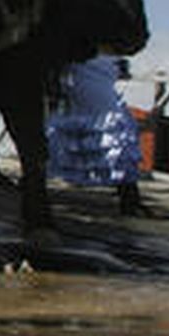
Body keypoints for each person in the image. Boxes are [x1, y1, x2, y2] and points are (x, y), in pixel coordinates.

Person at [46, 54, 147, 215]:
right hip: (83, 67)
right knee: (116, 130)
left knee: (114, 129)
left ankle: (129, 196)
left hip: (92, 67)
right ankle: (129, 197)